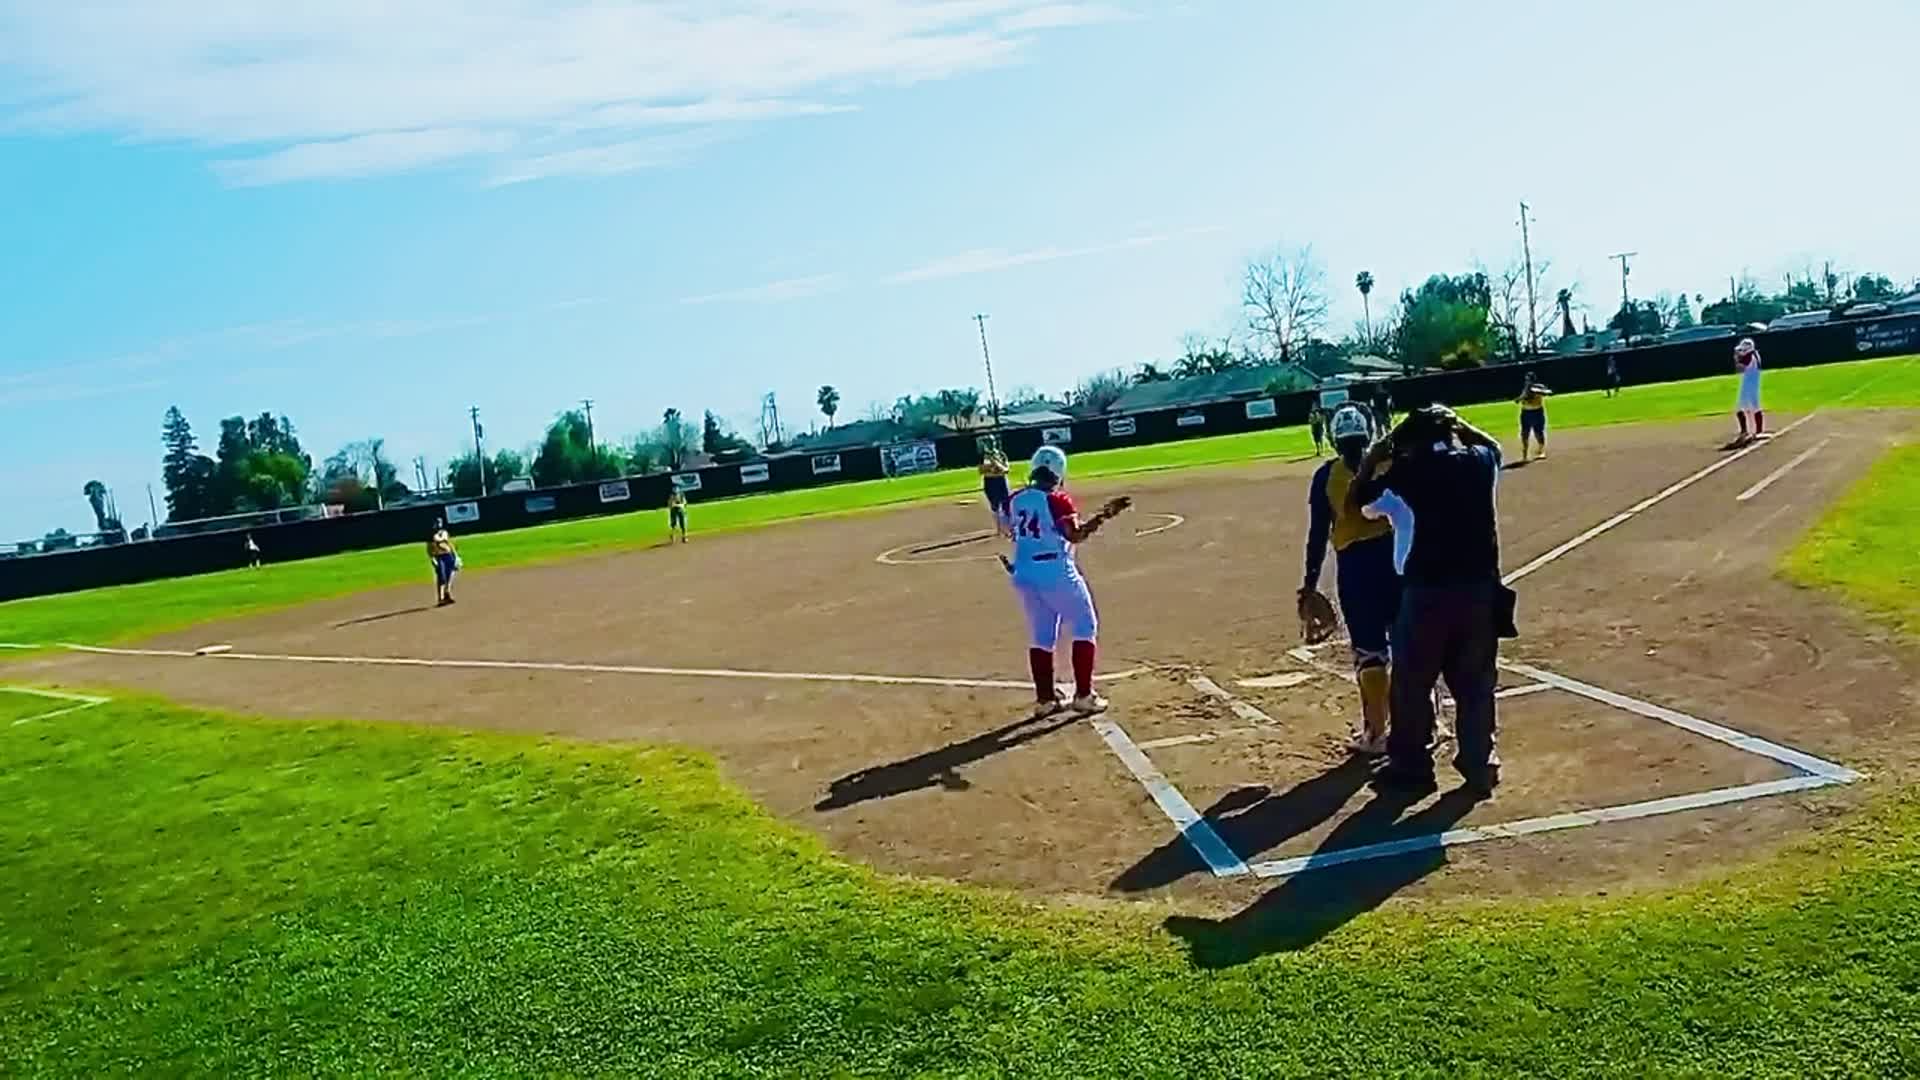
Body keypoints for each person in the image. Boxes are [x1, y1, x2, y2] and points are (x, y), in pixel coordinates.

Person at [1348, 405, 1506, 798]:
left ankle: (1413, 768)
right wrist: (1461, 424)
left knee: (1412, 684)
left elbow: (1361, 502)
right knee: (1475, 684)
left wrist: (1374, 455)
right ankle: (1479, 765)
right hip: (1481, 591)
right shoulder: (1480, 462)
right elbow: (1495, 448)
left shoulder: (1406, 473)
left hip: (1426, 594)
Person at [999, 446, 1130, 718]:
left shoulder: (1014, 499)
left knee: (1042, 634)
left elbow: (1009, 530)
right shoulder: (1057, 499)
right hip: (1055, 569)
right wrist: (1103, 516)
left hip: (1023, 571)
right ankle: (1084, 695)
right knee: (1085, 624)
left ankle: (1045, 699)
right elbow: (1075, 535)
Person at [1300, 404, 1400, 756]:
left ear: (1334, 439)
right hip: (1397, 559)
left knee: (1369, 651)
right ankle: (1427, 723)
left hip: (1356, 570)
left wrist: (1310, 583)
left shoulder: (1326, 476)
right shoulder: (1390, 466)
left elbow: (1317, 535)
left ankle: (1376, 733)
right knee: (1409, 644)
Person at [1733, 338, 1765, 444]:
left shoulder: (1749, 357)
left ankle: (1744, 431)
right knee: (1755, 406)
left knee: (1739, 408)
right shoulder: (1755, 355)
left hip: (1748, 385)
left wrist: (1737, 357)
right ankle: (1758, 430)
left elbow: (1739, 369)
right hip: (1753, 384)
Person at [979, 439, 1012, 535]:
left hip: (1001, 481)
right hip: (990, 482)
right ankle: (999, 528)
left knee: (1006, 504)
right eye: (988, 442)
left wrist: (995, 463)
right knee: (994, 505)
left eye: (991, 442)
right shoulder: (983, 457)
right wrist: (993, 468)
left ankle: (1009, 527)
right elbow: (981, 471)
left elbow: (1006, 469)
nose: (990, 444)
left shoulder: (1001, 455)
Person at [1517, 371, 1552, 462]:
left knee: (1538, 432)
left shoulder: (1539, 386)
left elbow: (1549, 392)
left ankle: (1541, 451)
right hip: (1525, 413)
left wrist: (1538, 391)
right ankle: (1525, 455)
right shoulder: (1525, 388)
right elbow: (1521, 398)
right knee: (1524, 433)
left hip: (1537, 412)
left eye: (1529, 379)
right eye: (1526, 379)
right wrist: (1519, 398)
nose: (1527, 381)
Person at [427, 518, 460, 606]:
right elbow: (429, 549)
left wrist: (456, 556)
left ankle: (447, 593)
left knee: (450, 575)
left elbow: (450, 544)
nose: (439, 524)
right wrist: (432, 559)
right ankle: (440, 598)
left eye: (440, 522)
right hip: (439, 557)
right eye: (437, 523)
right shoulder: (431, 535)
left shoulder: (445, 532)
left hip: (448, 555)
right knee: (441, 576)